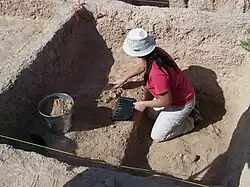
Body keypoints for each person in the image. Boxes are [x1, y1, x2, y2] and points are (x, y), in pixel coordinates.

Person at [113, 28, 202, 142]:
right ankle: (187, 111)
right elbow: (142, 66)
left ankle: (191, 120)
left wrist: (143, 103)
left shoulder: (157, 74)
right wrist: (123, 79)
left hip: (181, 103)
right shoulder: (156, 53)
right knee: (151, 115)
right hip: (177, 92)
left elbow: (165, 101)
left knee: (157, 136)